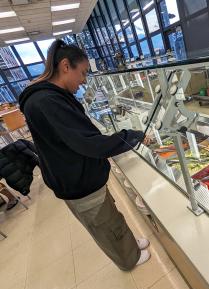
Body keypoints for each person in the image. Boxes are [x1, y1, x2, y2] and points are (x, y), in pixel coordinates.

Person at [19, 39, 150, 271]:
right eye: (83, 72)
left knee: (111, 217)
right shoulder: (47, 101)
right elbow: (89, 144)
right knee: (106, 225)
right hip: (77, 181)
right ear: (66, 66)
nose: (84, 80)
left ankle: (129, 245)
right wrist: (131, 137)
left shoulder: (49, 96)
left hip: (77, 175)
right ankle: (128, 258)